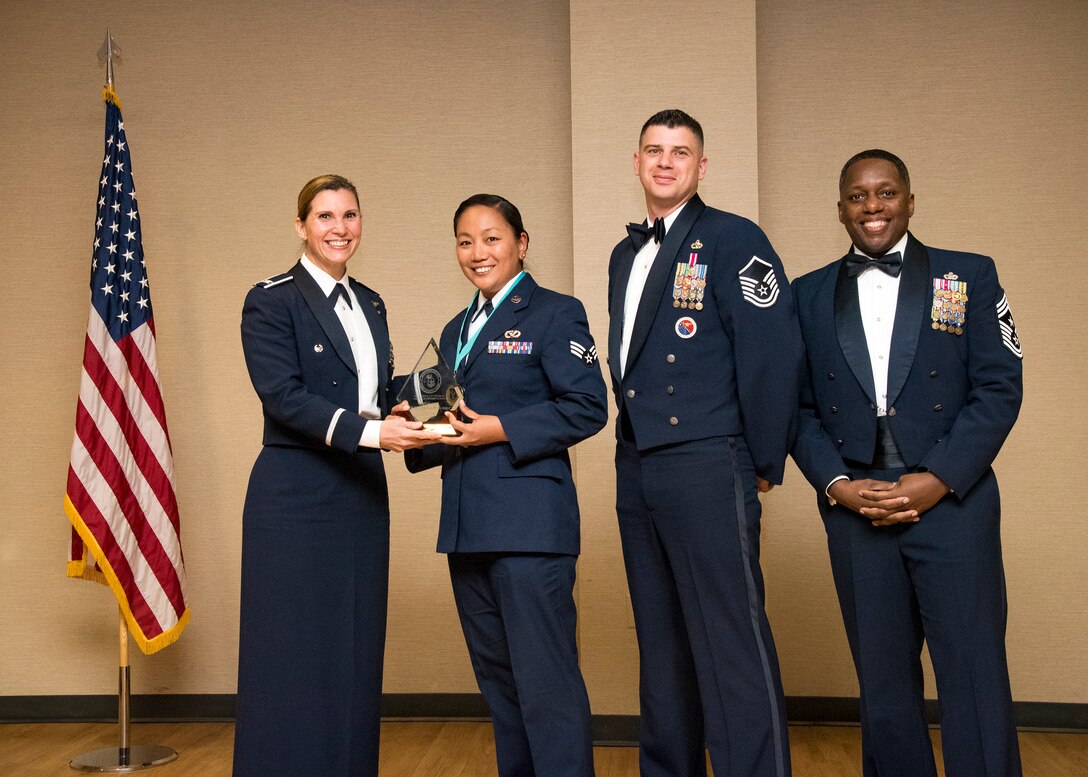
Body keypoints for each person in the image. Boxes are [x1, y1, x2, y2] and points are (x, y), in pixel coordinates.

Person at [790, 150, 1024, 777]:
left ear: (911, 201)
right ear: (840, 209)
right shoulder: (805, 295)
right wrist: (838, 486)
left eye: (886, 193)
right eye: (858, 196)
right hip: (856, 506)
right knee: (883, 682)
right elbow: (795, 407)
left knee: (973, 672)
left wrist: (939, 478)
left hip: (954, 502)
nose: (873, 207)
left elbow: (999, 387)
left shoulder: (969, 275)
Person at [606, 109, 802, 777]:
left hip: (707, 459)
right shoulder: (623, 254)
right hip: (637, 468)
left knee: (730, 646)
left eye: (680, 151)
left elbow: (774, 354)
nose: (665, 161)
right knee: (660, 648)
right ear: (635, 162)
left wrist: (763, 459)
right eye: (653, 150)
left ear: (701, 167)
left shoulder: (734, 238)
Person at [234, 175, 438, 777]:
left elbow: (373, 392)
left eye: (349, 215)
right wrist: (377, 433)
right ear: (301, 226)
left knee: (353, 649)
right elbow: (284, 397)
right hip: (295, 495)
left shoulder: (370, 302)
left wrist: (428, 397)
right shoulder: (270, 300)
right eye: (324, 217)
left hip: (359, 494)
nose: (339, 228)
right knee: (288, 654)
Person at [405, 194, 608, 777]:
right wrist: (401, 422)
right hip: (468, 529)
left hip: (529, 530)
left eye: (492, 238)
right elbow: (439, 417)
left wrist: (502, 429)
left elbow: (588, 406)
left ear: (522, 244)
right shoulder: (456, 326)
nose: (478, 252)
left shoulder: (555, 312)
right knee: (500, 686)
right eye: (466, 241)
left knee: (547, 684)